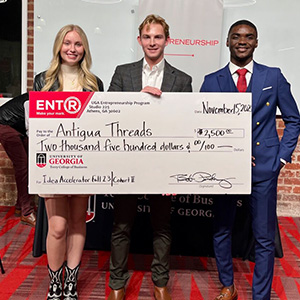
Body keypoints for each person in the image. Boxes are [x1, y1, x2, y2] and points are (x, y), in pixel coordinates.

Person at [200, 20, 300, 300]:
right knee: (222, 230)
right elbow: (202, 127)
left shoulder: (273, 77)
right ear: (228, 41)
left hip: (265, 168)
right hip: (224, 170)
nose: (242, 41)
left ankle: (261, 295)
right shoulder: (211, 81)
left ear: (256, 42)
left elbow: (293, 119)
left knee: (264, 237)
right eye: (236, 36)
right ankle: (228, 286)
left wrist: (280, 159)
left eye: (249, 37)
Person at [107, 14, 192, 300]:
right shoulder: (123, 73)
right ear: (139, 40)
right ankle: (117, 284)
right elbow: (110, 117)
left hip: (163, 164)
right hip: (127, 162)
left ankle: (160, 282)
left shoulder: (182, 80)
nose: (152, 42)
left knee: (162, 226)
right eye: (147, 36)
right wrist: (138, 100)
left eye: (158, 37)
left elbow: (184, 127)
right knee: (121, 226)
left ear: (167, 40)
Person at [33, 24, 104, 300]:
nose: (72, 49)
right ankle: (54, 282)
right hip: (53, 164)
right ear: (58, 47)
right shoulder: (43, 80)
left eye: (78, 44)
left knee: (77, 221)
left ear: (84, 48)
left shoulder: (94, 83)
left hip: (83, 163)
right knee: (58, 226)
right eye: (67, 43)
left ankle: (71, 282)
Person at [0, 92, 36, 226]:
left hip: (16, 127)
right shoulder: (31, 101)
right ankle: (26, 213)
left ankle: (20, 206)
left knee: (27, 166)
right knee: (23, 166)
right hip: (5, 125)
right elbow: (30, 128)